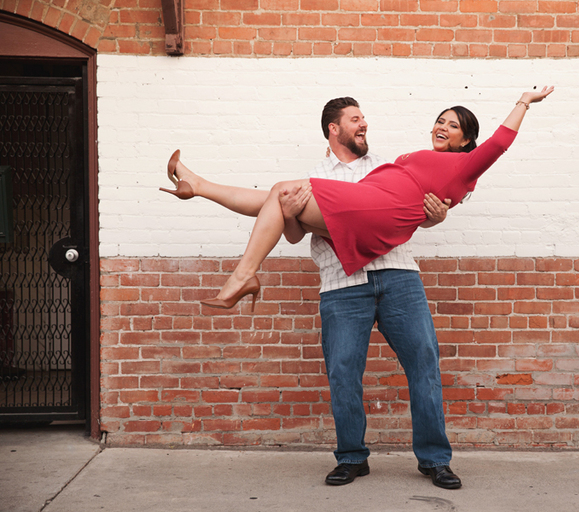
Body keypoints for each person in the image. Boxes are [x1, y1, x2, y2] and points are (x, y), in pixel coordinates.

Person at [160, 97, 491, 488]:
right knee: (343, 373)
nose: (364, 124)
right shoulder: (315, 175)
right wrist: (301, 217)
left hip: (398, 275)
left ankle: (435, 460)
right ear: (335, 129)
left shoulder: (389, 165)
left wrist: (438, 217)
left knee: (423, 366)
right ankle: (352, 457)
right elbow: (295, 233)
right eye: (355, 120)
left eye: (364, 119)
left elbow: (411, 216)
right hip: (342, 284)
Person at [192, 86, 553, 309]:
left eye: (453, 126)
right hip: (368, 205)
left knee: (284, 190)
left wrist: (524, 101)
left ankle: (243, 276)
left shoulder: (463, 166)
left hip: (377, 214)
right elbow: (295, 233)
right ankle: (198, 188)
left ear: (465, 141)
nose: (443, 127)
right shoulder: (421, 161)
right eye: (440, 121)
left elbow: (500, 143)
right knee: (278, 194)